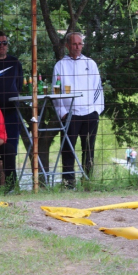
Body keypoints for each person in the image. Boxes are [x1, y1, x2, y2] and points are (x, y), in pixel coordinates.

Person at [52, 32, 104, 187]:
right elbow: (55, 90)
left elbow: (98, 88)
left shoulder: (91, 63)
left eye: (80, 44)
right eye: (74, 44)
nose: (77, 47)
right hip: (69, 115)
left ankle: (88, 181)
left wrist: (96, 110)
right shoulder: (60, 65)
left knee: (89, 148)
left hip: (89, 113)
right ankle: (69, 183)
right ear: (67, 45)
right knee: (67, 149)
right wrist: (62, 112)